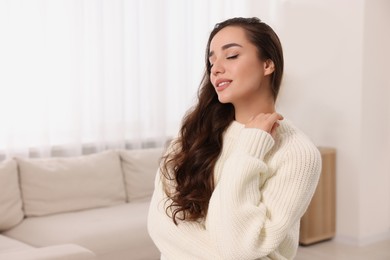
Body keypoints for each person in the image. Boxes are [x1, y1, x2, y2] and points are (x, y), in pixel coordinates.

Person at [147, 17, 321, 260]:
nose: (215, 68)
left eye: (231, 56)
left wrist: (251, 148)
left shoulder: (298, 153)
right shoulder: (193, 132)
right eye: (211, 60)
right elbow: (161, 224)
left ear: (267, 65)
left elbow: (240, 247)